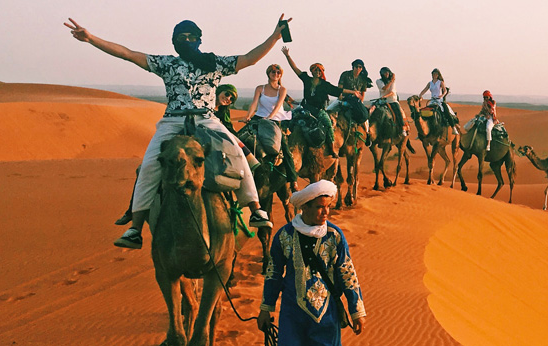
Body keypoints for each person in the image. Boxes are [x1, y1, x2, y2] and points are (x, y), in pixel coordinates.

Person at [65, 17, 284, 249]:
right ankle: (135, 229)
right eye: (182, 38)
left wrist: (274, 36)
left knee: (236, 154)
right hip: (173, 121)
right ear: (174, 42)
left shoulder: (215, 63)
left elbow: (250, 59)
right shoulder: (166, 63)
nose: (187, 41)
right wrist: (90, 39)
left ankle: (256, 210)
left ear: (199, 40)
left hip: (207, 119)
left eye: (191, 37)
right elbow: (127, 53)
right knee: (149, 165)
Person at [259, 179, 366, 346]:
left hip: (326, 317)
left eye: (328, 206)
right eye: (320, 207)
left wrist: (356, 310)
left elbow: (347, 273)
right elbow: (273, 273)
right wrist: (265, 308)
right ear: (304, 208)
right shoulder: (284, 236)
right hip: (292, 316)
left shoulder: (335, 236)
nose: (325, 212)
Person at [242, 64, 292, 157]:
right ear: (268, 73)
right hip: (259, 117)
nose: (276, 74)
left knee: (285, 149)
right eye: (273, 72)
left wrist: (269, 118)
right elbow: (254, 103)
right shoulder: (260, 88)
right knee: (241, 137)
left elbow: (278, 106)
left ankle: (290, 171)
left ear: (280, 75)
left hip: (275, 119)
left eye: (278, 72)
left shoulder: (282, 90)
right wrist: (248, 116)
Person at [329, 59, 374, 145]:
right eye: (356, 66)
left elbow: (362, 94)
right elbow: (340, 88)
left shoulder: (363, 79)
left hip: (356, 101)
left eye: (360, 67)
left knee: (365, 117)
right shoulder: (345, 75)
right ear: (353, 67)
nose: (358, 68)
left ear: (362, 68)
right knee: (329, 110)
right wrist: (343, 95)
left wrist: (359, 100)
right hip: (343, 98)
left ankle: (367, 135)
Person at [418, 68, 460, 136]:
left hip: (439, 101)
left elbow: (445, 90)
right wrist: (420, 95)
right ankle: (421, 132)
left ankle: (453, 128)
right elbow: (425, 89)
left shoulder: (440, 82)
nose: (434, 75)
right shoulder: (430, 83)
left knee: (446, 112)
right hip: (432, 100)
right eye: (433, 74)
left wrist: (442, 95)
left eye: (436, 74)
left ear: (438, 75)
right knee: (424, 113)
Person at [370, 67, 409, 137]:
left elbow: (392, 92)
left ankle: (402, 128)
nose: (386, 74)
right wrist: (391, 81)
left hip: (392, 100)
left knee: (398, 112)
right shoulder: (378, 81)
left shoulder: (392, 81)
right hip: (382, 101)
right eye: (385, 73)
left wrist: (391, 81)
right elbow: (384, 88)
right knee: (372, 110)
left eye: (387, 72)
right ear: (382, 74)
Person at [465, 90, 500, 154]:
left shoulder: (493, 103)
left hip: (491, 118)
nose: (486, 98)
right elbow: (482, 111)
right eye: (484, 97)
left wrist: (486, 105)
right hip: (484, 117)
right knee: (472, 123)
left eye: (487, 97)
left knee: (488, 128)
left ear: (490, 97)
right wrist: (478, 115)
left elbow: (491, 111)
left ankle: (488, 144)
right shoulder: (484, 103)